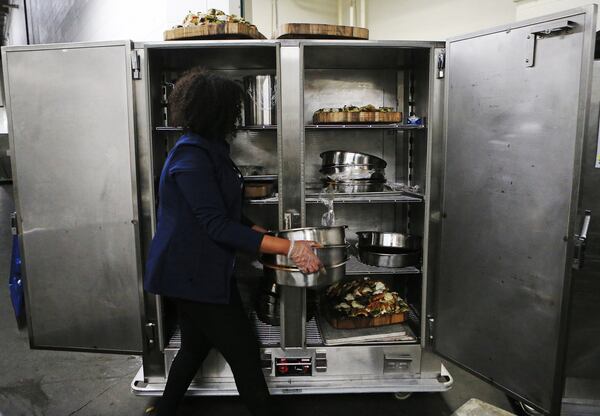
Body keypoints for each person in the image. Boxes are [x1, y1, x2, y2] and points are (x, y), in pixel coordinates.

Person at [143, 68, 323, 416]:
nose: (235, 118)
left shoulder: (210, 149)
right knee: (243, 353)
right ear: (219, 113)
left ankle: (164, 411)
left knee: (194, 347)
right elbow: (216, 226)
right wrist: (291, 249)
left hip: (201, 270)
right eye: (232, 111)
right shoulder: (190, 157)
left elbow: (226, 214)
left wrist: (269, 236)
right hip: (191, 275)